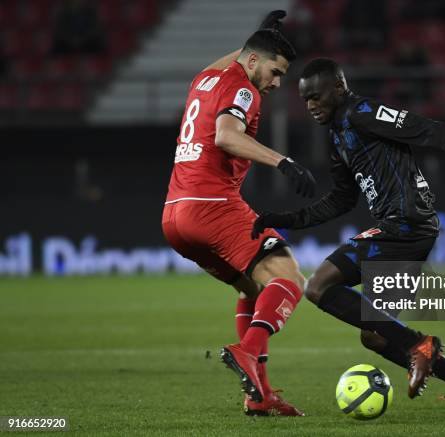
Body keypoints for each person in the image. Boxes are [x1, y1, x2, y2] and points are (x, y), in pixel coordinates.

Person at [252, 58, 445, 420]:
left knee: (318, 286)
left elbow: (427, 129)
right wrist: (284, 219)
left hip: (405, 224)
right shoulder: (337, 135)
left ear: (338, 88)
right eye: (306, 100)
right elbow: (341, 200)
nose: (312, 105)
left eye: (317, 96)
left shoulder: (362, 112)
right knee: (377, 335)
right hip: (407, 232)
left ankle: (421, 347)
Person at [162, 12, 316, 416]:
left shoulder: (207, 79)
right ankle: (247, 352)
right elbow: (226, 136)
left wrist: (263, 38)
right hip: (212, 206)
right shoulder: (243, 91)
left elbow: (237, 59)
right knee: (290, 279)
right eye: (275, 71)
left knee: (253, 289)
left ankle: (259, 395)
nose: (277, 82)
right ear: (253, 63)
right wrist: (283, 162)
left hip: (175, 215)